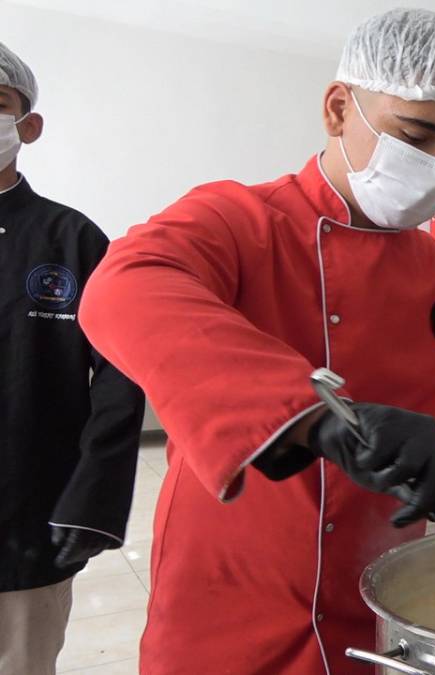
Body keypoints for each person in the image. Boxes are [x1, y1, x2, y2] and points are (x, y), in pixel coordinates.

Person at [78, 9, 435, 674]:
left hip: (385, 605)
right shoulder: (239, 222)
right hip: (225, 610)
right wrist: (321, 417)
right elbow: (123, 287)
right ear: (336, 108)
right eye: (418, 134)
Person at [0, 42, 146, 675]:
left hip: (25, 516)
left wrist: (95, 496)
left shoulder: (73, 240)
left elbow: (122, 369)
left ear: (26, 127)